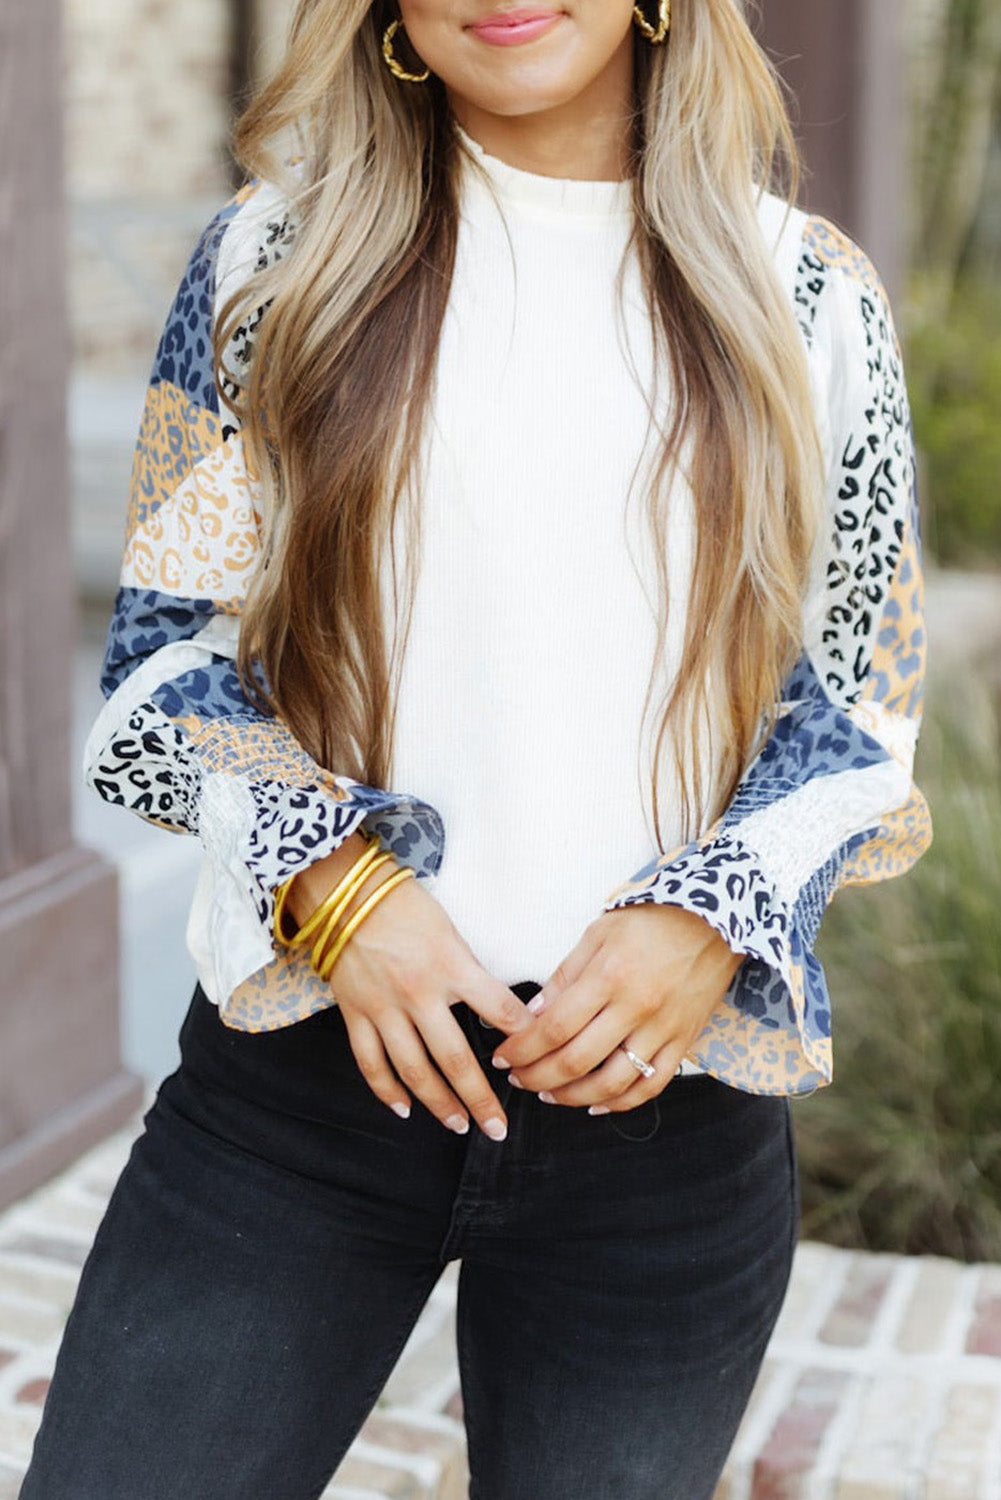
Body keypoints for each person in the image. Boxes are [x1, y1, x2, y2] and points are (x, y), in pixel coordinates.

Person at [20, 2, 932, 1497]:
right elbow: (163, 660)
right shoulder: (274, 263)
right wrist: (340, 886)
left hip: (663, 1123)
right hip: (301, 1102)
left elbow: (858, 706)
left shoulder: (807, 295)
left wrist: (705, 915)